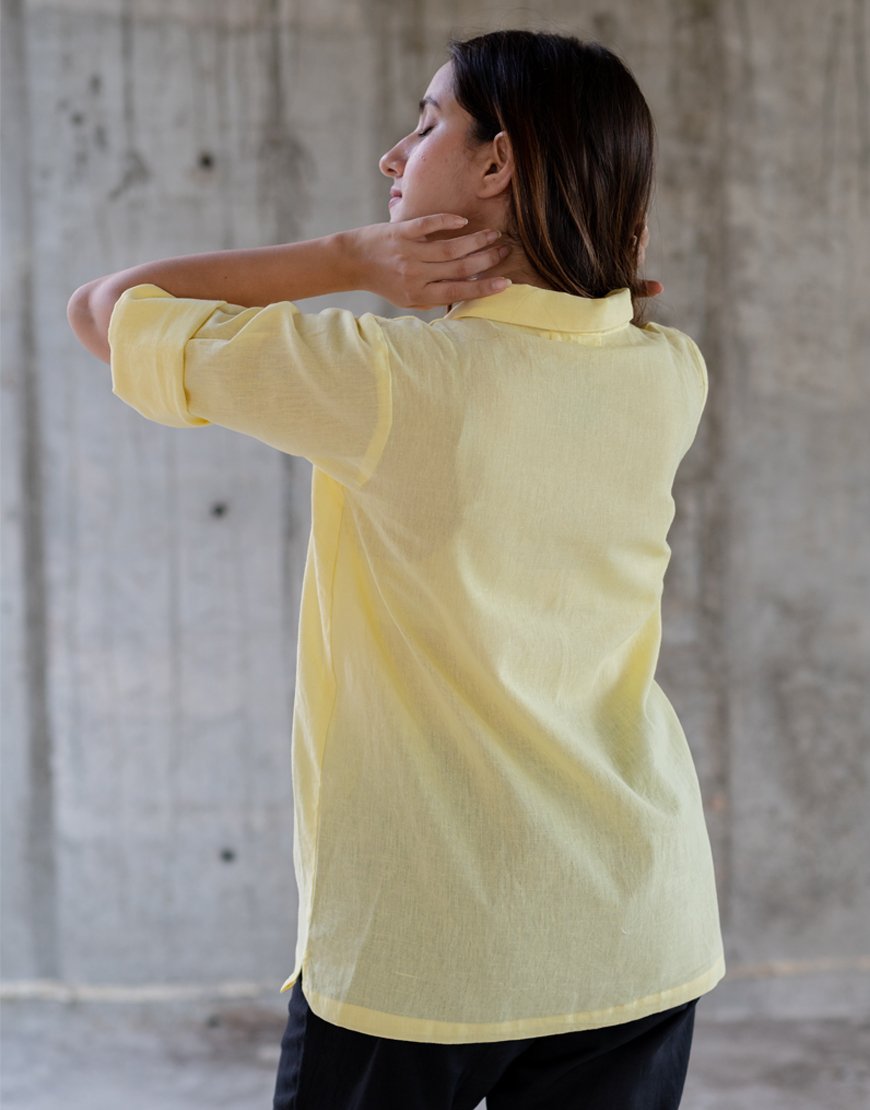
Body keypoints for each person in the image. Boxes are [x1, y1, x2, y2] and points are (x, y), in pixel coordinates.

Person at [67, 28, 724, 1110]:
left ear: (498, 164)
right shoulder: (668, 370)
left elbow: (104, 307)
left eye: (425, 123)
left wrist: (344, 259)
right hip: (637, 931)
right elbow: (578, 336)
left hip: (428, 953)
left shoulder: (392, 381)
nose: (393, 155)